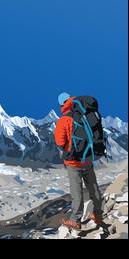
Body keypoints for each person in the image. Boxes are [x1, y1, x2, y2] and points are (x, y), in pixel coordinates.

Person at [54, 92, 103, 230]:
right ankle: (98, 215)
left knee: (77, 192)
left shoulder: (64, 120)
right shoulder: (87, 114)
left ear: (61, 105)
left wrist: (68, 149)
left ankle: (75, 220)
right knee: (93, 188)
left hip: (73, 162)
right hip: (87, 159)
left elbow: (59, 141)